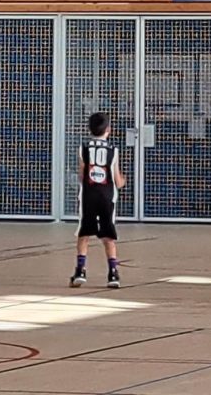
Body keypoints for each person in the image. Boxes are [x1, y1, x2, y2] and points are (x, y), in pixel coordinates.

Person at [70, 112, 124, 289]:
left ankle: (80, 270)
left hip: (88, 195)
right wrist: (123, 181)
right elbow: (117, 180)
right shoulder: (113, 150)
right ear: (108, 129)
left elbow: (81, 174)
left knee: (84, 234)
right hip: (107, 196)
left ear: (89, 129)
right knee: (108, 235)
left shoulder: (84, 148)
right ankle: (113, 273)